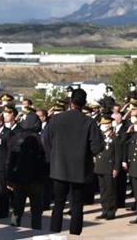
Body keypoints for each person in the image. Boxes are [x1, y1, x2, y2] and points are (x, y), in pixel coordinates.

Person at [46, 88, 104, 236]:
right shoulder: (89, 122)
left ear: (70, 101)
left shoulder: (56, 119)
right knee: (77, 205)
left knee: (58, 204)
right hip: (80, 169)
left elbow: (46, 141)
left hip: (59, 168)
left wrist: (54, 156)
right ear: (84, 103)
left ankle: (54, 234)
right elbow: (97, 147)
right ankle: (74, 235)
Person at [6, 113, 47, 229]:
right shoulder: (41, 139)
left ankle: (13, 229)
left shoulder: (15, 138)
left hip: (18, 179)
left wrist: (9, 179)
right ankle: (36, 231)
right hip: (36, 180)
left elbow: (9, 160)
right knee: (36, 210)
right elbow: (47, 159)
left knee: (17, 209)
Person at [93, 115, 120, 221]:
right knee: (103, 190)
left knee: (110, 190)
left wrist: (116, 168)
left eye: (105, 124)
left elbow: (118, 155)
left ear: (109, 125)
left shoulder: (115, 137)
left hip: (110, 167)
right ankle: (104, 209)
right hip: (100, 166)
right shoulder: (100, 136)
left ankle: (111, 211)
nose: (102, 126)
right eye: (102, 124)